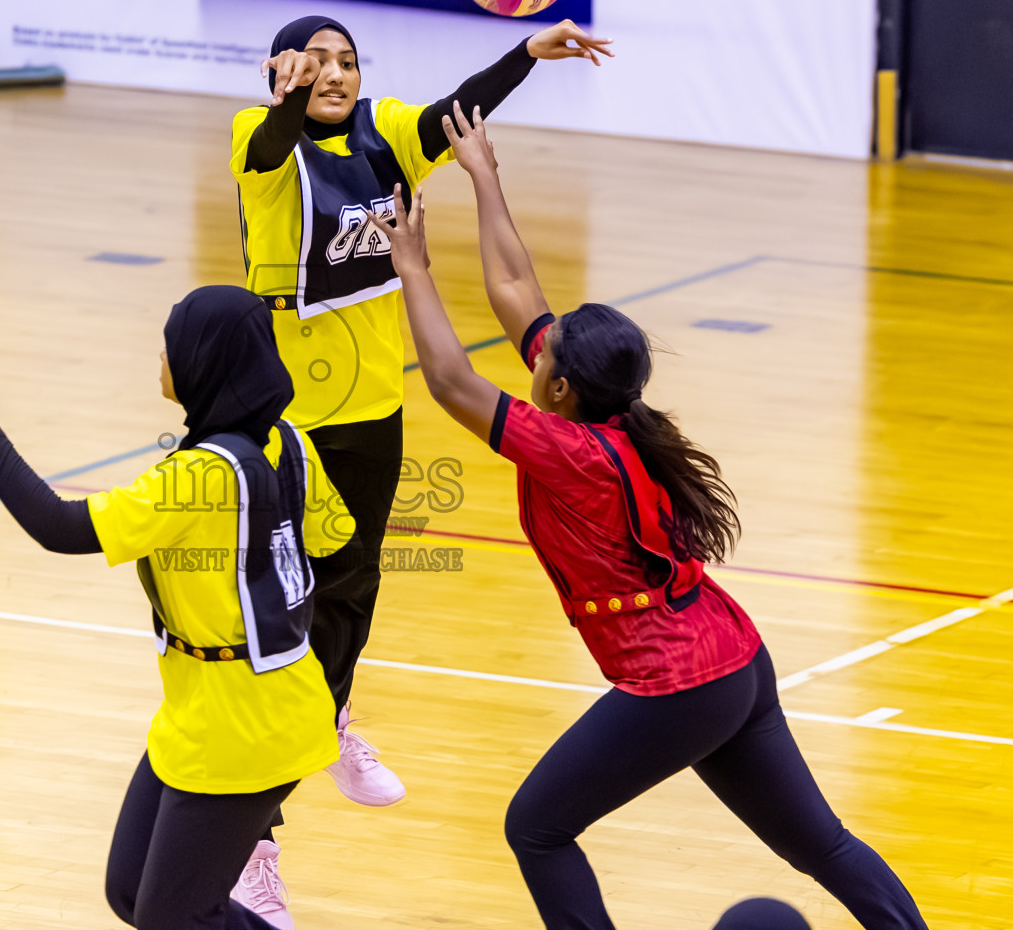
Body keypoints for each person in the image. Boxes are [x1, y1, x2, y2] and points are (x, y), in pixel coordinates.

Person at [367, 105, 931, 930]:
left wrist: (411, 266)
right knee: (823, 845)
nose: (538, 345)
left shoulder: (571, 451)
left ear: (560, 387)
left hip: (678, 682)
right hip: (735, 659)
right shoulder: (615, 414)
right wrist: (483, 175)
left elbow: (451, 382)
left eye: (544, 355)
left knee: (538, 827)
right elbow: (516, 290)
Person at [230, 12, 614, 811]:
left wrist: (525, 56)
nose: (335, 74)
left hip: (372, 406)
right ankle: (252, 823)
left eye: (347, 62)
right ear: (280, 71)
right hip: (285, 417)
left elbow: (455, 111)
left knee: (355, 583)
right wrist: (287, 98)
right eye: (316, 62)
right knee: (283, 599)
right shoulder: (259, 140)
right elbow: (271, 146)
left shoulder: (386, 134)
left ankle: (327, 722)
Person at [0, 286, 353, 930]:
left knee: (173, 919)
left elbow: (59, 526)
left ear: (207, 361)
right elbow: (330, 542)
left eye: (173, 342)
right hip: (213, 707)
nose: (161, 353)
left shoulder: (195, 478)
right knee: (132, 894)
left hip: (246, 727)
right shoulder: (291, 444)